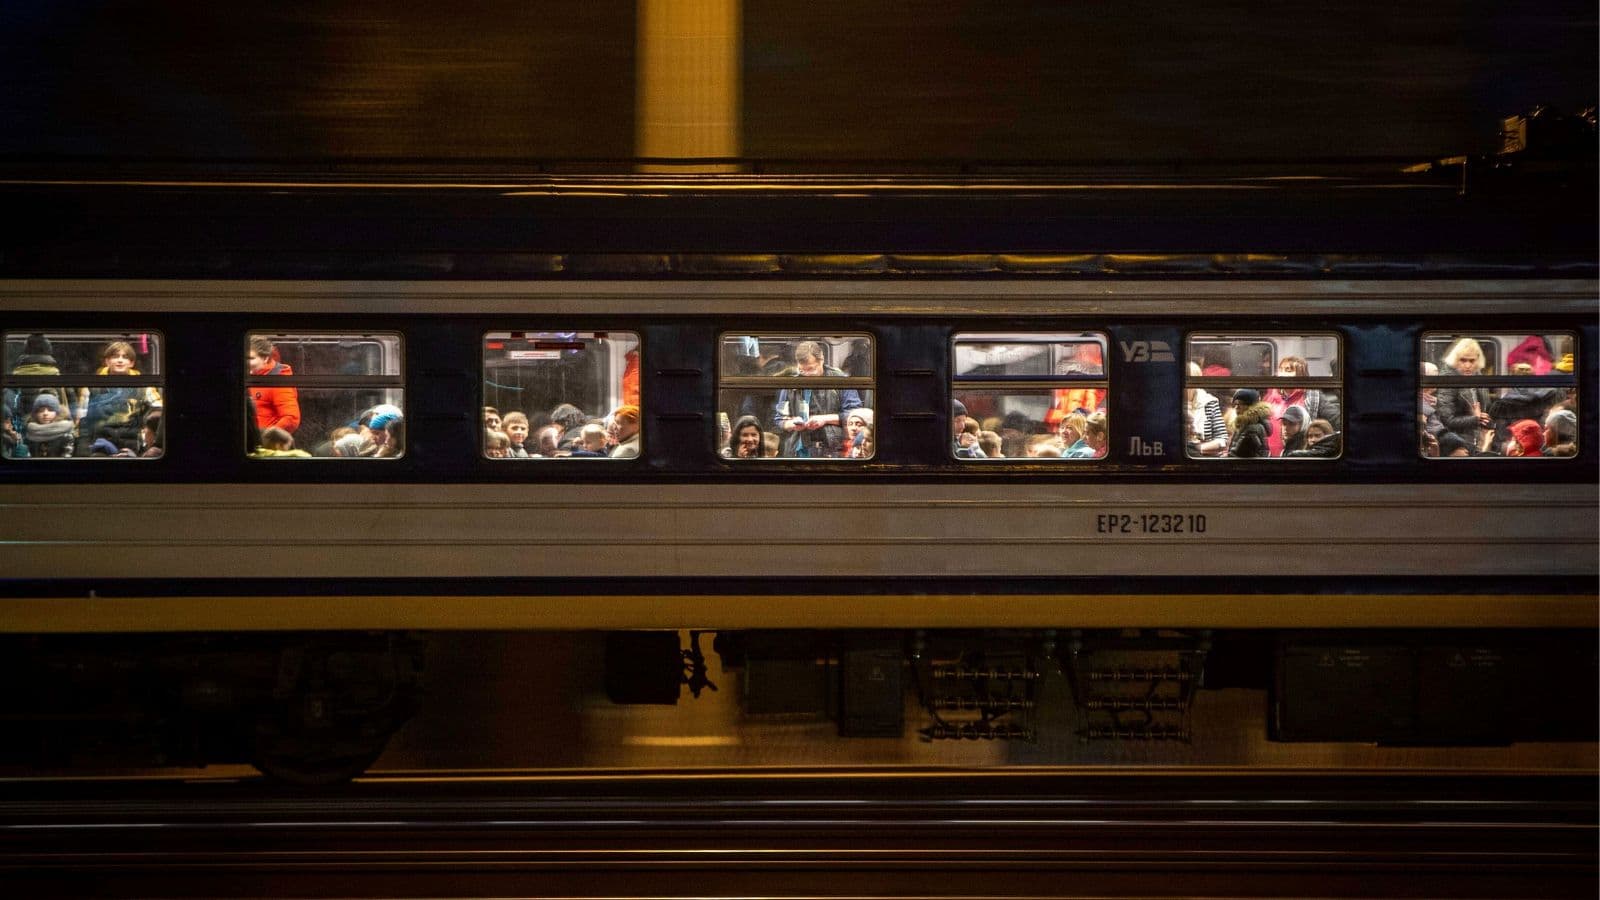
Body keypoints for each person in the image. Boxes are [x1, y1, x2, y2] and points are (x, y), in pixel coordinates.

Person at [774, 342, 860, 458]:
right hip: (797, 450)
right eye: (802, 370)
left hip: (832, 450)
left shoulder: (840, 380)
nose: (807, 375)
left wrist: (824, 419)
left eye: (811, 369)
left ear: (822, 360)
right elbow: (779, 419)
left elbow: (855, 414)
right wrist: (791, 424)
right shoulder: (791, 383)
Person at [1435, 337, 1492, 452]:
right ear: (1455, 360)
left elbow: (1485, 407)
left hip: (1476, 438)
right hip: (1457, 444)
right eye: (1463, 360)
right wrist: (1475, 419)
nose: (1467, 365)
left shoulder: (1477, 376)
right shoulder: (1448, 380)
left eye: (1471, 361)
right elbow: (1447, 420)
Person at [247, 337, 300, 434]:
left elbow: (291, 418)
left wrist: (266, 438)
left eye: (251, 358)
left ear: (265, 358)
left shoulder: (277, 380)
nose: (246, 362)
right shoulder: (252, 377)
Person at [1184, 362, 1227, 456]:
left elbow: (1222, 439)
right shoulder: (1172, 403)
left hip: (1205, 457)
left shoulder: (1209, 402)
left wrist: (1197, 449)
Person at [1228, 388, 1272, 458]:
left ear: (1251, 406)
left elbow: (1236, 455)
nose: (1237, 407)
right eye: (1236, 404)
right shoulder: (1245, 423)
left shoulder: (1251, 429)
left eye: (1240, 404)